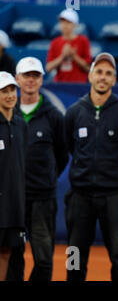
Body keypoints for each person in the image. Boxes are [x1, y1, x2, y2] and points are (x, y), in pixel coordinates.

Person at [64, 52, 118, 281]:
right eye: (99, 72)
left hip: (114, 196)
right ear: (90, 75)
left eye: (108, 73)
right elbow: (68, 148)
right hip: (80, 196)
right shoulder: (74, 112)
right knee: (74, 254)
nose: (103, 77)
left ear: (114, 79)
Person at [6, 57, 68, 282]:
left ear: (42, 79)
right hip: (14, 200)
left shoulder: (54, 116)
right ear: (17, 79)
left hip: (43, 199)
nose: (31, 80)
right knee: (14, 255)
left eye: (35, 76)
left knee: (43, 259)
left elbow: (62, 155)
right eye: (26, 76)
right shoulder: (7, 114)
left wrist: (46, 177)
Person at [0, 72, 27, 281]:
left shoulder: (21, 125)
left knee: (7, 252)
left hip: (14, 203)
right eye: (4, 91)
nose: (10, 95)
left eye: (11, 90)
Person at [46, 9, 92, 83]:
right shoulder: (55, 42)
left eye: (68, 22)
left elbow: (88, 68)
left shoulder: (83, 41)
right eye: (62, 22)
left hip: (79, 84)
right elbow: (48, 68)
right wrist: (62, 57)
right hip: (59, 84)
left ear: (75, 25)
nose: (64, 25)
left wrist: (74, 56)